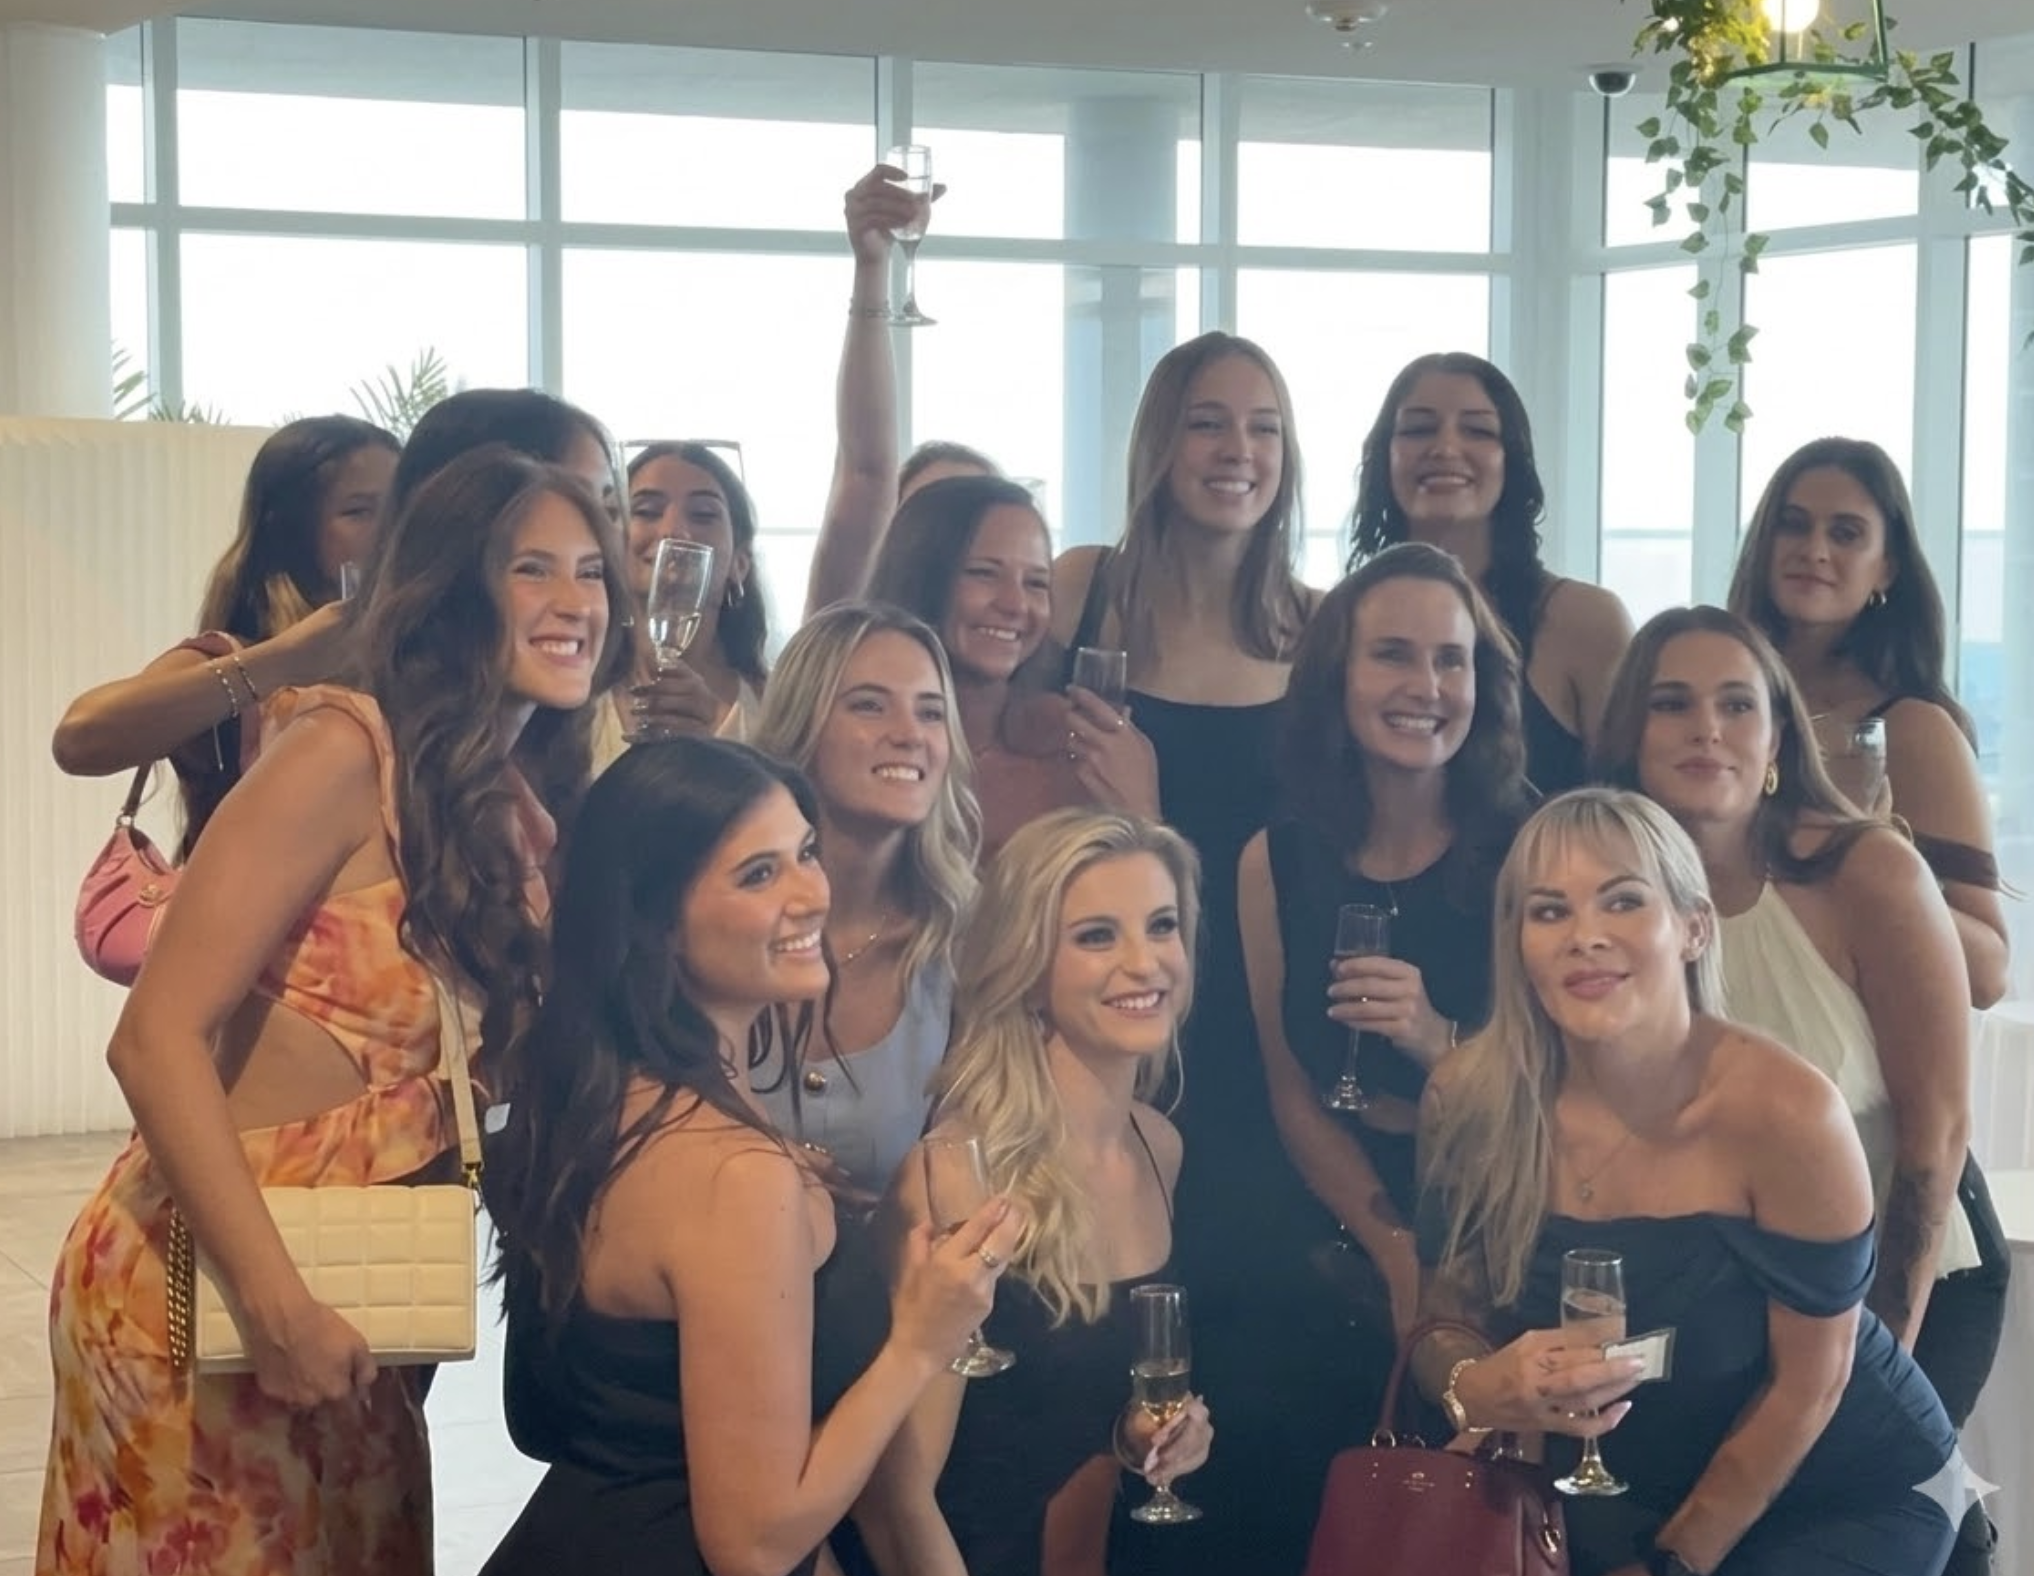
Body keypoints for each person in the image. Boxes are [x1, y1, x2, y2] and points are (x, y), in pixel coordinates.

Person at [36, 444, 627, 1574]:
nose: (573, 601)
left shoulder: (500, 798)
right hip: (213, 1284)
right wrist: (276, 1307)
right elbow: (152, 1040)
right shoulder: (341, 749)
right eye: (531, 568)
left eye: (591, 570)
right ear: (447, 587)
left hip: (359, 1295)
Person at [481, 737, 1022, 1576]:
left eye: (806, 853)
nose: (810, 894)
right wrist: (920, 1341)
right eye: (759, 875)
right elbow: (755, 1544)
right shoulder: (733, 1173)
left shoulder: (601, 1108)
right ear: (658, 924)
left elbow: (548, 1417)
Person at [1416, 788, 1969, 1576]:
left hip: (1841, 1493)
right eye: (1549, 911)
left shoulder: (1789, 1114)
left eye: (1623, 901)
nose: (1585, 936)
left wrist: (1671, 1565)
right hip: (1619, 1495)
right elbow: (1442, 1316)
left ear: (1694, 928)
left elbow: (1812, 1384)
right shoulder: (1464, 1100)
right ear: (1518, 944)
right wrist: (1475, 1387)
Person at [1594, 606, 2008, 1574]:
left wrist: (1875, 1362)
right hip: (1730, 1300)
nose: (1707, 729)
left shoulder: (1868, 872)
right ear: (1628, 736)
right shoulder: (1601, 896)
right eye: (1673, 703)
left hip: (1910, 1272)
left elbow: (1937, 1134)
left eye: (1737, 705)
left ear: (1778, 739)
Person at [1049, 329, 1317, 1574]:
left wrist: (1155, 816)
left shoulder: (1315, 629)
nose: (1237, 450)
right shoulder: (1085, 591)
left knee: (1248, 1367)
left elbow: (1316, 856)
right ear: (1160, 442)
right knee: (1103, 1363)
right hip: (1103, 1031)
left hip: (1250, 1039)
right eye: (1209, 421)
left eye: (1264, 427)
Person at [853, 808, 1214, 1576]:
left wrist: (1139, 1440)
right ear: (1028, 965)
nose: (1145, 962)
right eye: (1096, 937)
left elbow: (1049, 1419)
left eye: (1162, 926)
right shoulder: (957, 1173)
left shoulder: (1161, 1147)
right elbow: (896, 1496)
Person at [1240, 542, 1531, 1344]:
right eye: (1393, 655)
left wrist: (1438, 1042)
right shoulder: (1273, 859)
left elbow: (1571, 1096)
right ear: (1337, 676)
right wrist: (1399, 1257)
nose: (1427, 687)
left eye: (1451, 660)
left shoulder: (1534, 851)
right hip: (1327, 1225)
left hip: (1500, 1227)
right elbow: (1293, 1093)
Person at [1726, 437, 2010, 1007]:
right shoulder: (1713, 709)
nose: (1814, 550)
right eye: (1793, 525)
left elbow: (1988, 974)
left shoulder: (1914, 731)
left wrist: (1857, 856)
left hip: (1851, 1047)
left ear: (1887, 570)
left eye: (1846, 533)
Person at [52, 414, 399, 855]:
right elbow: (79, 738)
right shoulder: (236, 655)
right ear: (290, 531)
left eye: (399, 509)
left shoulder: (415, 660)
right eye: (359, 512)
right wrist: (284, 661)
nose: (389, 531)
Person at [749, 603, 980, 1197]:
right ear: (802, 725)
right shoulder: (712, 916)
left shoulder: (967, 944)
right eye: (870, 706)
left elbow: (967, 1175)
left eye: (931, 712)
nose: (909, 735)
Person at [1347, 351, 1632, 795]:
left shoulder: (1586, 621)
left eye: (1478, 431)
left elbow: (1635, 811)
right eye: (1419, 429)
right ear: (1384, 456)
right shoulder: (1339, 618)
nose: (1445, 449)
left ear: (1512, 459)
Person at [866, 473, 1155, 858]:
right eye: (984, 573)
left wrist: (1141, 811)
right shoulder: (858, 736)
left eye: (1036, 583)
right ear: (919, 577)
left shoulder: (1074, 748)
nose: (1015, 604)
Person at [621, 440, 771, 742]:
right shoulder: (571, 696)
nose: (673, 531)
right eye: (647, 511)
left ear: (740, 563)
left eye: (703, 515)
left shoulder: (775, 707)